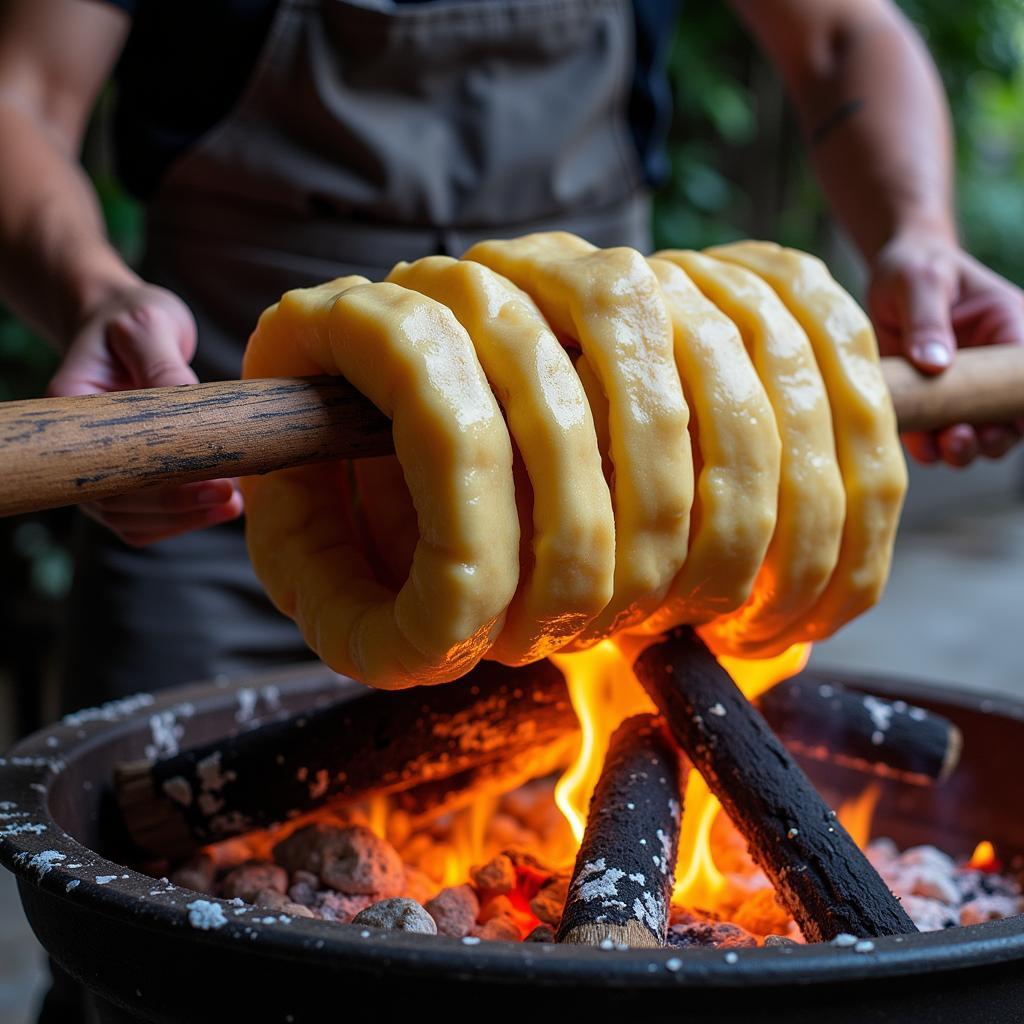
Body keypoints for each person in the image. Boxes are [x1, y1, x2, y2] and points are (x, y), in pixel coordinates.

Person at [1, 0, 1022, 711]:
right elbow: (22, 98)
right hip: (226, 482)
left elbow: (842, 28)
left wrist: (916, 229)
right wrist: (96, 293)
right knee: (164, 891)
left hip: (610, 514)